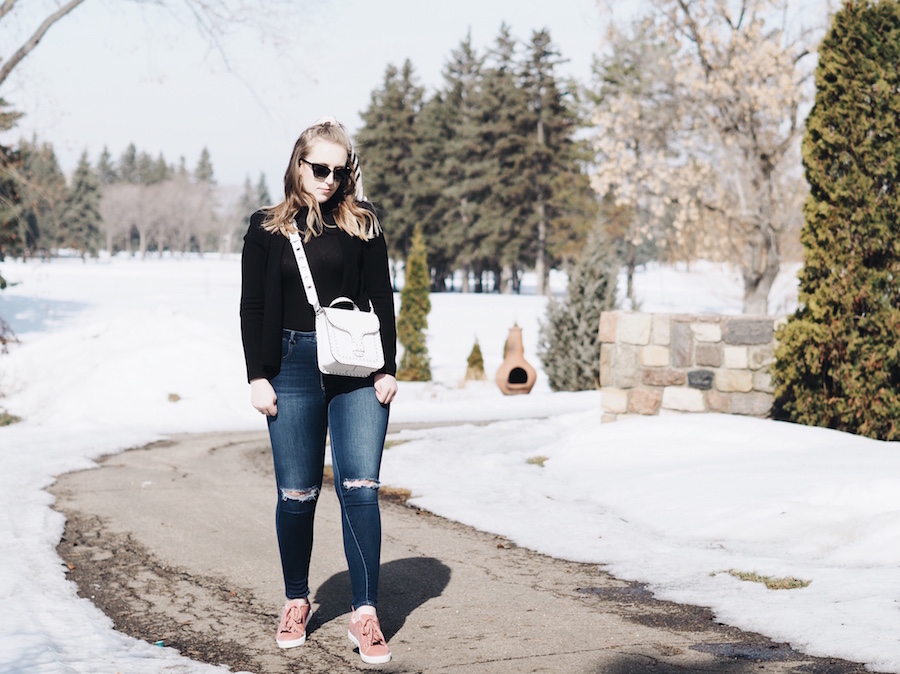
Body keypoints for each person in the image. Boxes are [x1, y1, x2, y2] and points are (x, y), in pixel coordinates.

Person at [239, 117, 397, 664]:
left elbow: (382, 295)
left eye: (339, 169)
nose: (328, 179)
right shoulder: (265, 229)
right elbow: (253, 306)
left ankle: (365, 614)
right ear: (298, 164)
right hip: (290, 365)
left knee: (361, 489)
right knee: (297, 494)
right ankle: (295, 600)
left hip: (357, 367)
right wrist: (257, 374)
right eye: (319, 168)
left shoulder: (364, 224)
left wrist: (387, 368)